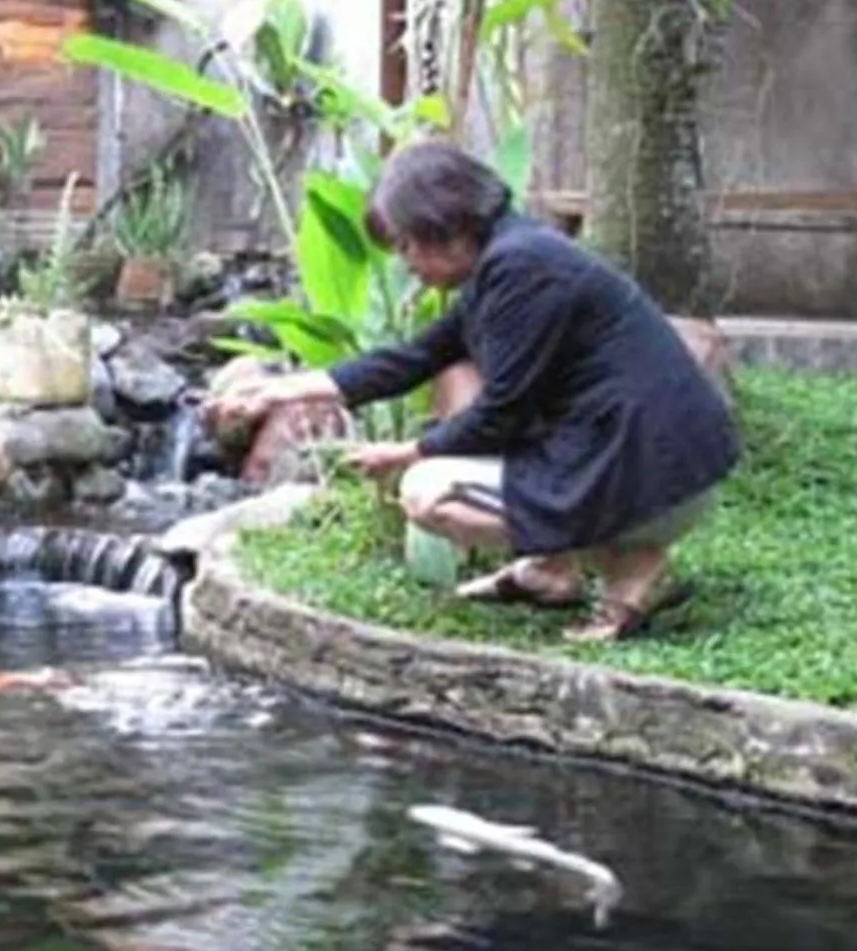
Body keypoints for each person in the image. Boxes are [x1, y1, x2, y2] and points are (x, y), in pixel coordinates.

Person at [210, 139, 739, 642]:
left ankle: (635, 569)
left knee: (427, 491)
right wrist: (278, 393)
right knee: (451, 470)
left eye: (407, 245)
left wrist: (406, 452)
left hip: (655, 482)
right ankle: (551, 572)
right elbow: (414, 359)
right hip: (651, 468)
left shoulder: (521, 268)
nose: (407, 263)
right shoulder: (510, 257)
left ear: (445, 225)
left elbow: (501, 411)